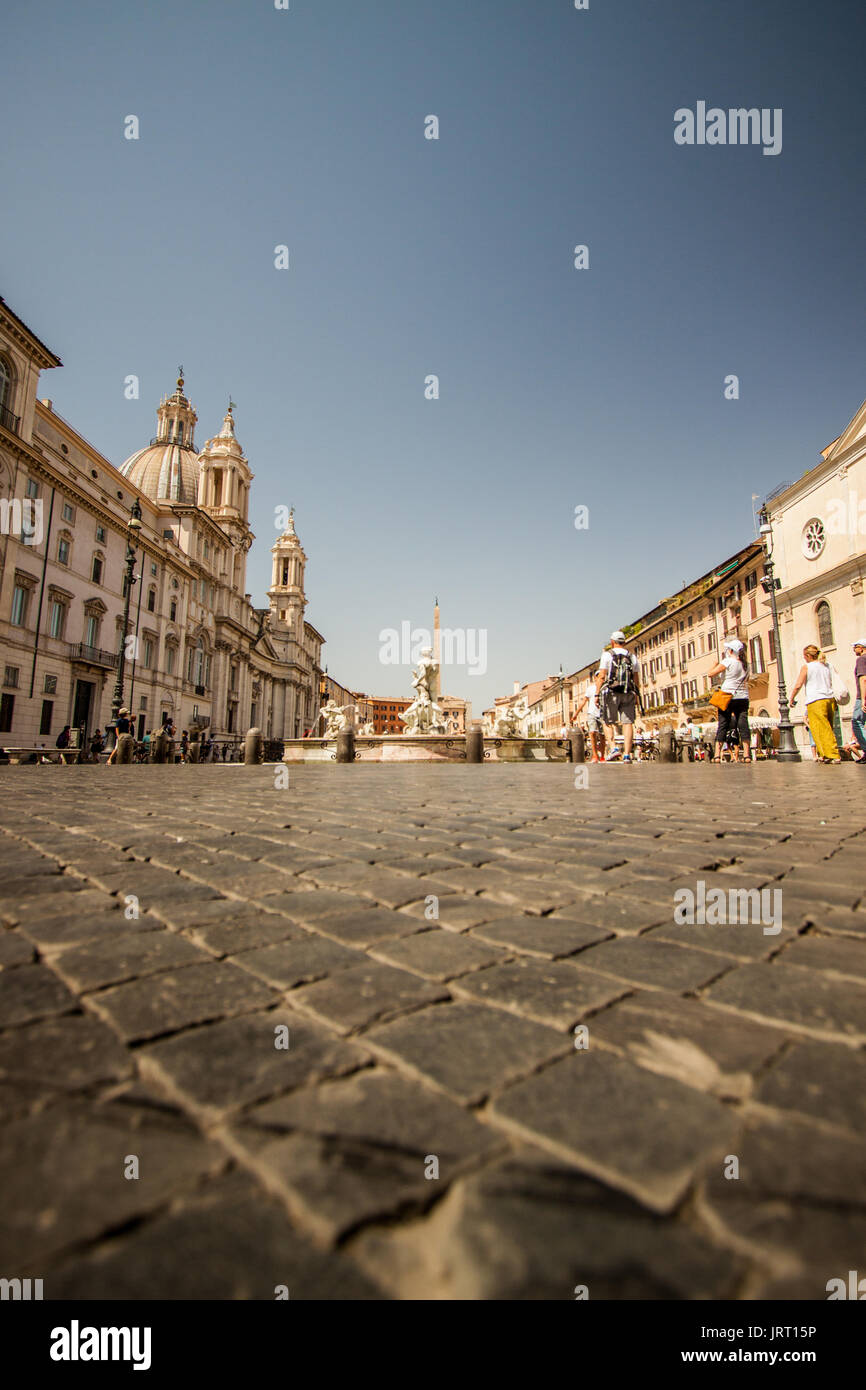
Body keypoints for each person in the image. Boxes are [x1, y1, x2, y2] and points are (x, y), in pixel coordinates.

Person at [594, 632, 640, 762]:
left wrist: (597, 694)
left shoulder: (607, 655)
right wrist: (637, 694)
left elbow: (602, 675)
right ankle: (627, 754)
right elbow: (636, 678)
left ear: (612, 641)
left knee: (607, 721)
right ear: (624, 642)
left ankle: (614, 748)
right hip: (628, 691)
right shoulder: (632, 656)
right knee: (628, 723)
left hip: (611, 692)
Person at [790, 646, 840, 762]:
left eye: (804, 656)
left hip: (816, 700)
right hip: (830, 699)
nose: (804, 658)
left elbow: (798, 685)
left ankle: (833, 754)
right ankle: (824, 754)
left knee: (820, 728)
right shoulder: (827, 665)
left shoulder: (807, 667)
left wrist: (792, 698)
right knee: (827, 727)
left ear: (808, 656)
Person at [708, 639, 751, 764]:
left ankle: (717, 755)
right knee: (743, 725)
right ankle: (747, 755)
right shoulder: (746, 664)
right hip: (743, 697)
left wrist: (715, 663)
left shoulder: (728, 661)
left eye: (728, 649)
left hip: (727, 696)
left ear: (731, 651)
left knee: (723, 724)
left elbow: (711, 674)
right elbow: (746, 680)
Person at [574, 683, 606, 762]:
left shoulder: (606, 688)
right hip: (591, 713)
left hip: (603, 713)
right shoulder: (590, 688)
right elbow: (584, 701)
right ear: (596, 678)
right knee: (592, 733)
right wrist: (576, 713)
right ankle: (595, 756)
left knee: (602, 735)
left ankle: (602, 756)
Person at [849, 639, 866, 765]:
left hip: (863, 697)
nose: (854, 649)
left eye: (855, 647)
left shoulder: (861, 659)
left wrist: (863, 699)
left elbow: (864, 679)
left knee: (857, 721)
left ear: (861, 648)